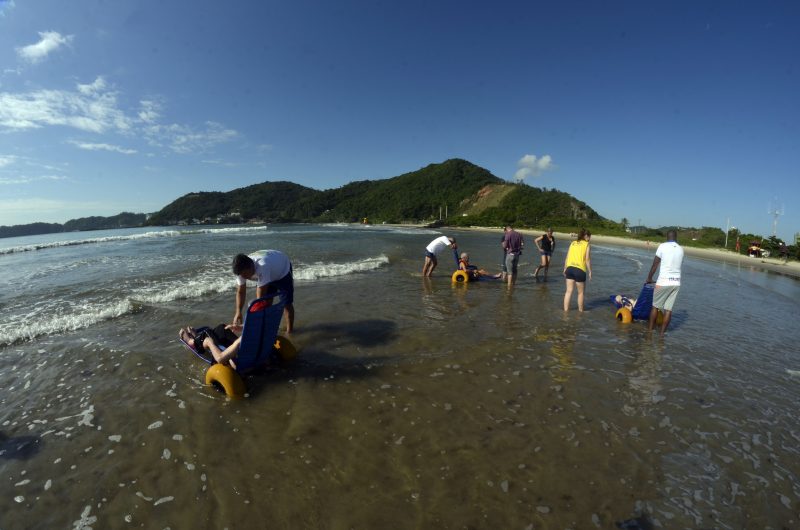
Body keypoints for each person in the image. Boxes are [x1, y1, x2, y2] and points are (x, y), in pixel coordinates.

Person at [232, 250, 295, 333]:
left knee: (287, 303)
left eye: (245, 274)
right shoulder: (241, 271)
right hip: (269, 268)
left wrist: (248, 325)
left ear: (251, 266)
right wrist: (238, 312)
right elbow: (241, 292)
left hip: (282, 271)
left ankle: (289, 331)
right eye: (241, 275)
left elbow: (259, 299)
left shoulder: (262, 266)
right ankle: (267, 329)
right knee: (266, 303)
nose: (244, 277)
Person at [645, 230, 684, 335]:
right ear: (676, 237)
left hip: (663, 282)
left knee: (655, 307)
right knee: (668, 310)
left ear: (667, 237)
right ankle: (662, 335)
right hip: (676, 283)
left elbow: (655, 264)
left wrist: (649, 278)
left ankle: (650, 331)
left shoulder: (662, 246)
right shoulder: (681, 249)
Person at [563, 229, 592, 311]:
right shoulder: (587, 244)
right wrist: (590, 271)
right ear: (586, 236)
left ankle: (565, 311)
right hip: (580, 270)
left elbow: (567, 256)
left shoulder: (573, 243)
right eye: (589, 237)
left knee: (568, 291)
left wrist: (565, 268)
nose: (589, 239)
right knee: (580, 293)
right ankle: (580, 312)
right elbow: (587, 260)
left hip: (569, 268)